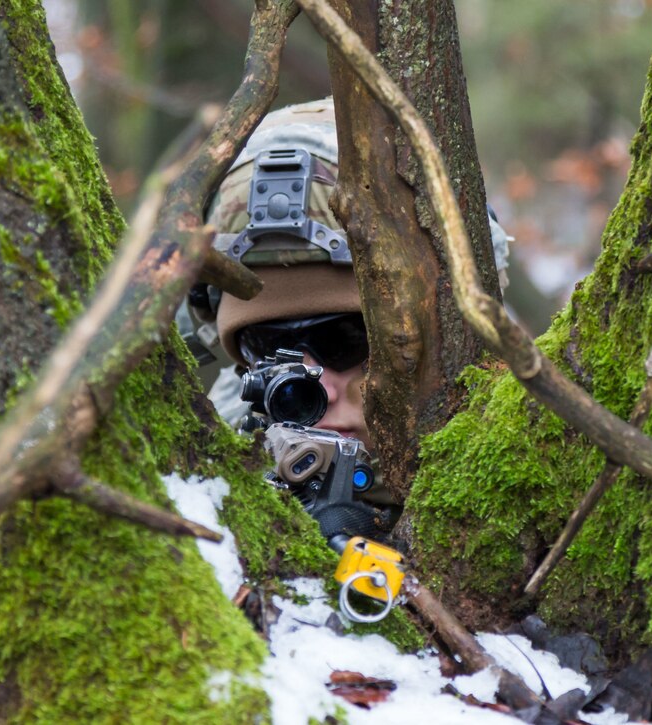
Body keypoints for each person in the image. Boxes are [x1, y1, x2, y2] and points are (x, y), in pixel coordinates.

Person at [186, 97, 509, 512]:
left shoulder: (523, 466)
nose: (314, 387)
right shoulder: (208, 485)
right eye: (267, 351)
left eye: (345, 339)